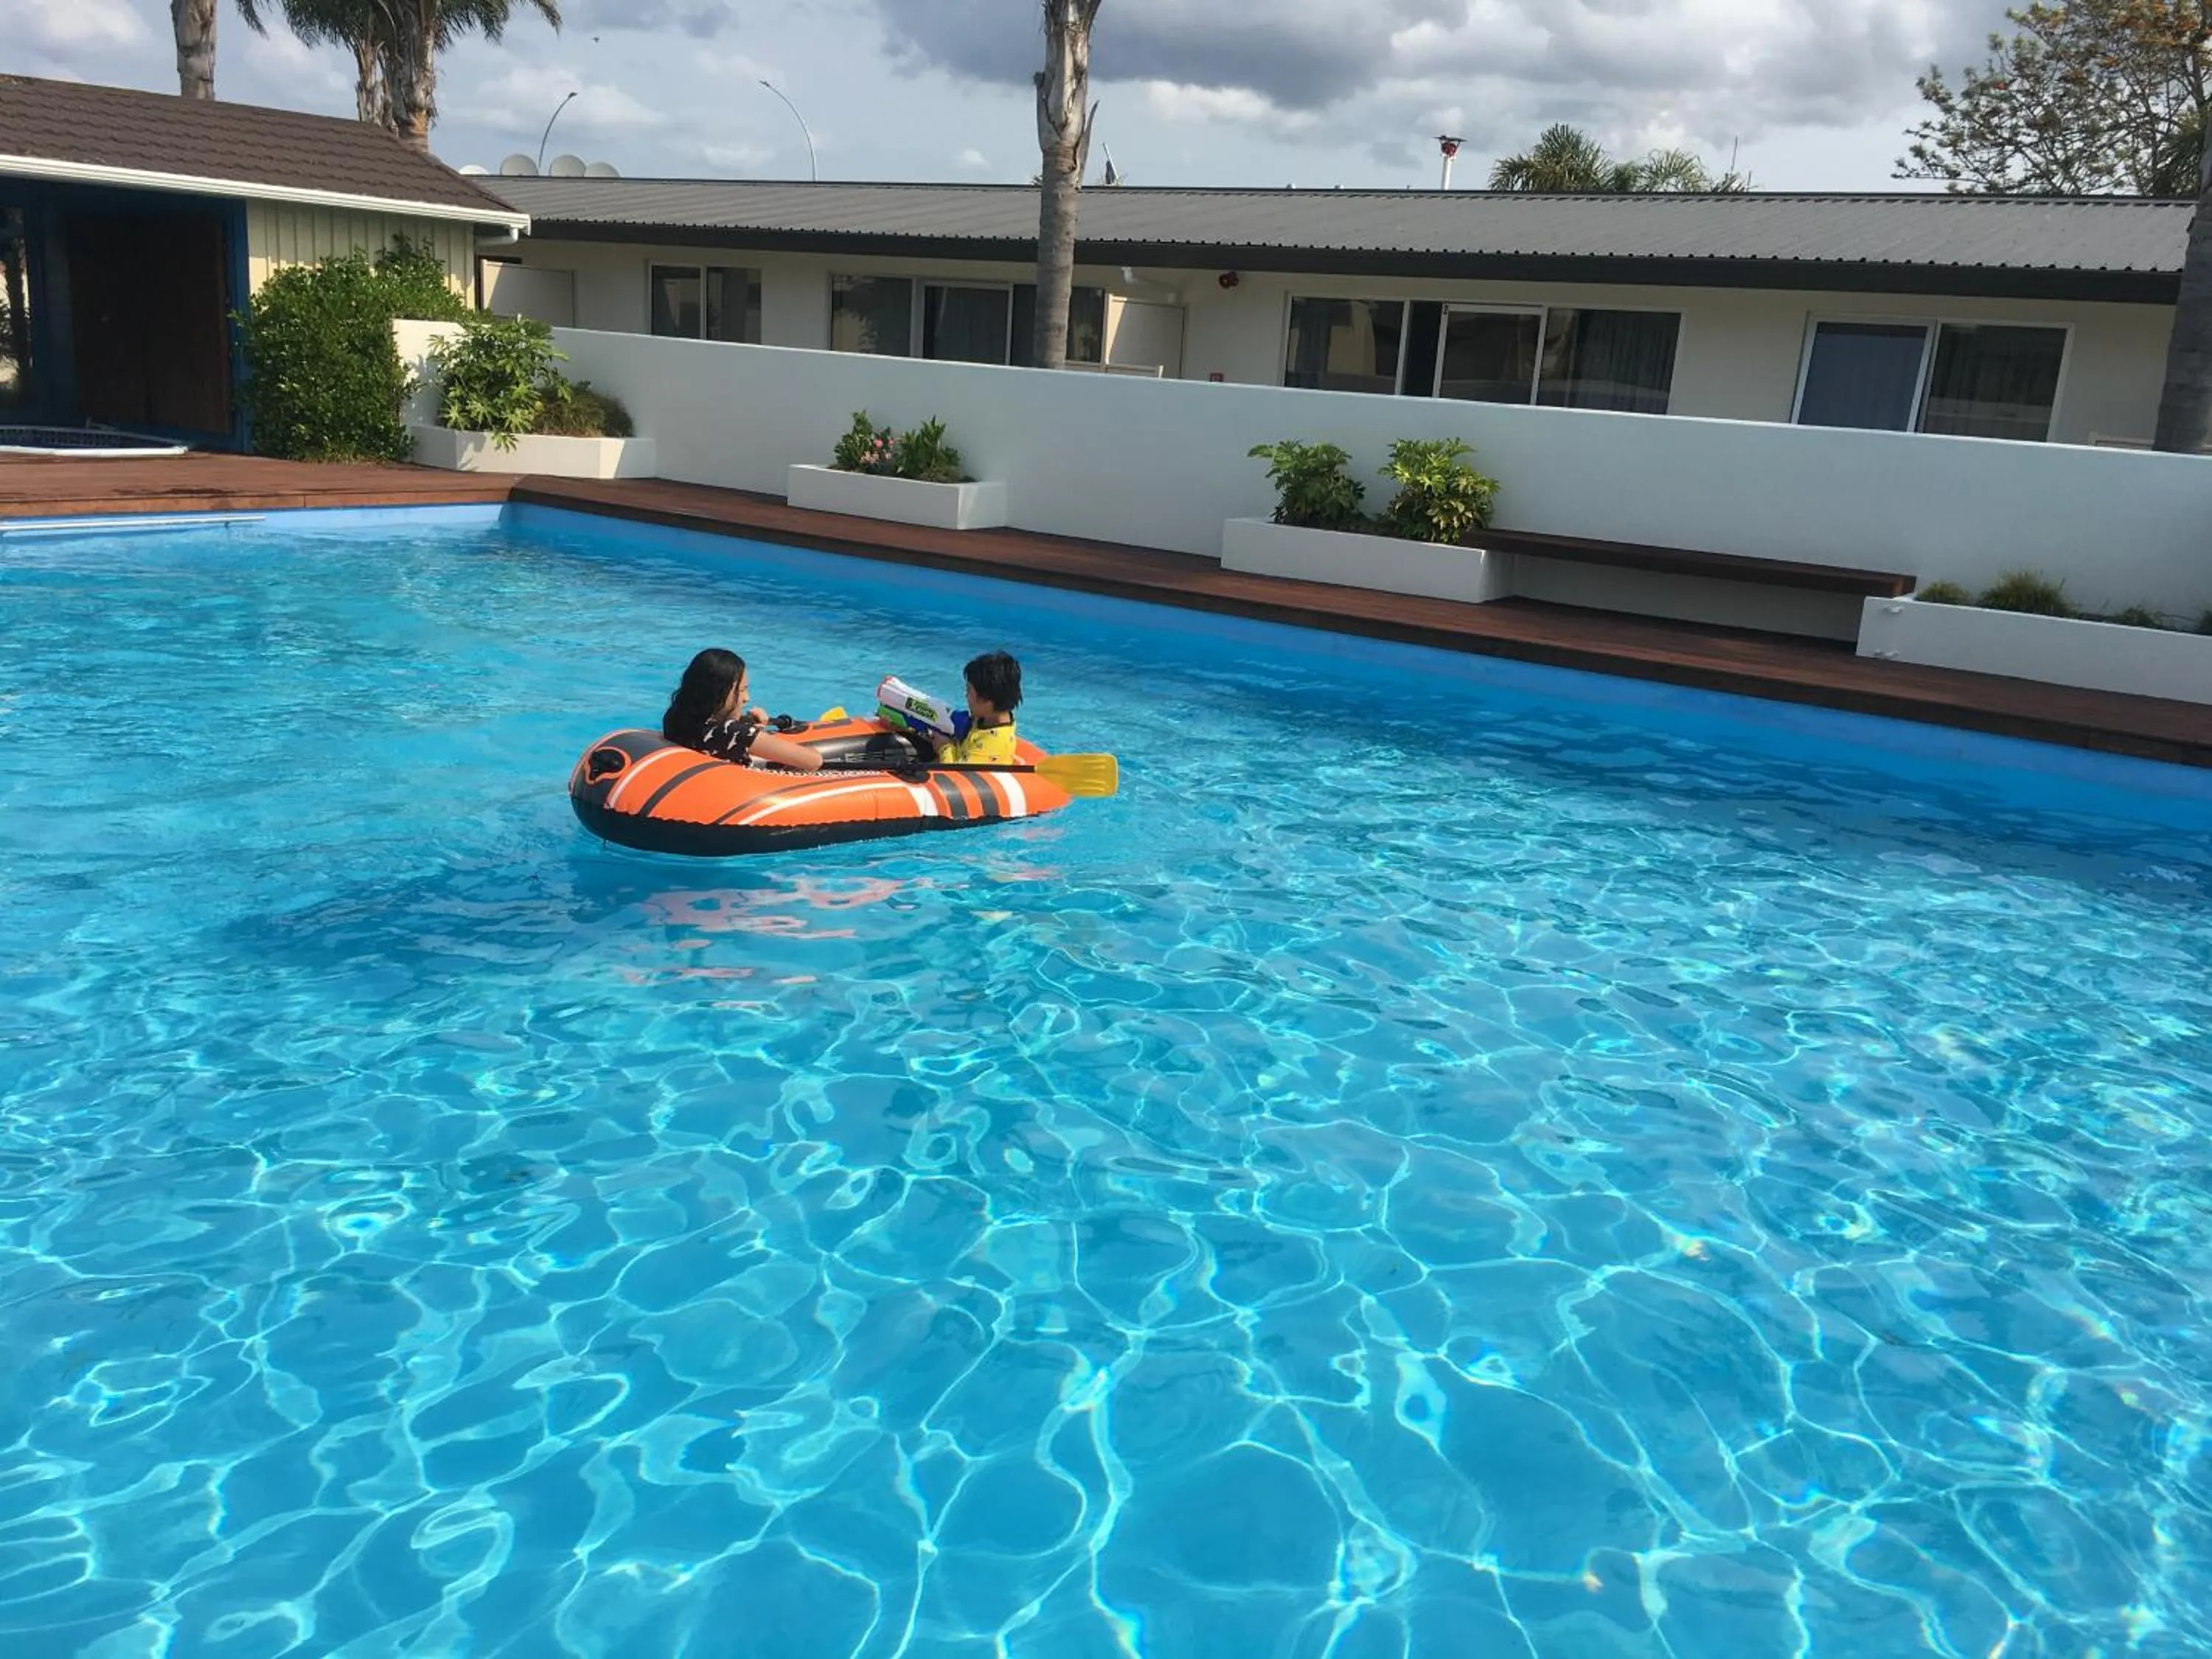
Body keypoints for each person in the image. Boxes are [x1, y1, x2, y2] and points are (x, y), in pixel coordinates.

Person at [660, 648, 823, 771]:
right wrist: (754, 733)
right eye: (742, 690)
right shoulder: (735, 733)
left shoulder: (676, 717)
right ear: (719, 692)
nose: (747, 698)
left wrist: (750, 726)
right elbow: (813, 761)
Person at [933, 650, 1022, 765]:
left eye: (969, 690)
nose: (966, 695)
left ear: (986, 699)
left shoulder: (992, 745)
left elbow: (957, 773)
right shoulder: (987, 719)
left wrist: (944, 747)